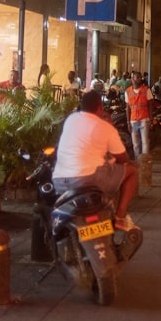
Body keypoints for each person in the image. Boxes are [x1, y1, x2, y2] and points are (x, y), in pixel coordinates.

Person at [52, 91, 138, 231]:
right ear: (100, 107)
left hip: (59, 181)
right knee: (132, 172)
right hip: (87, 180)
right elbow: (123, 159)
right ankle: (120, 217)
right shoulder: (105, 127)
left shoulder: (71, 119)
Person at [125, 71, 154, 160]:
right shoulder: (128, 91)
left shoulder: (146, 90)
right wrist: (128, 122)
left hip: (144, 119)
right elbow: (128, 108)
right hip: (133, 120)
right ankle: (138, 162)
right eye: (137, 77)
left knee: (145, 142)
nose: (139, 79)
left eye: (140, 77)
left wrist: (150, 117)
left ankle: (144, 162)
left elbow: (150, 104)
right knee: (136, 144)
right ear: (132, 79)